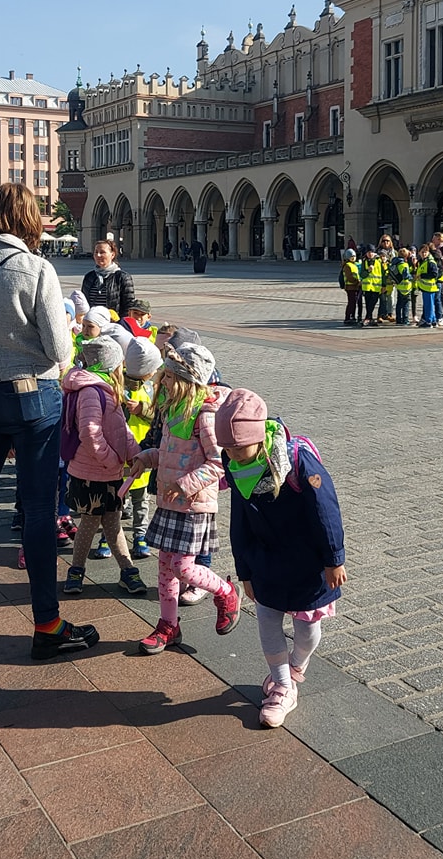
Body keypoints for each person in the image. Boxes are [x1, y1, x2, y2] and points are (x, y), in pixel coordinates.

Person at [0, 183, 98, 659]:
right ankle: (47, 624)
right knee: (38, 510)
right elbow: (59, 348)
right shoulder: (35, 268)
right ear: (29, 219)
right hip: (33, 399)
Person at [215, 388, 346, 728]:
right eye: (227, 449)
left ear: (259, 438)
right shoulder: (235, 465)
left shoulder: (297, 462)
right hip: (265, 561)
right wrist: (244, 570)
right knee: (267, 621)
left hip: (307, 563)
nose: (234, 456)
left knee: (307, 628)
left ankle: (297, 663)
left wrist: (334, 559)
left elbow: (325, 511)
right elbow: (239, 519)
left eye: (240, 448)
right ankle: (283, 687)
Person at [130, 341, 242, 654]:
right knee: (165, 567)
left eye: (168, 376)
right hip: (171, 502)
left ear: (185, 381)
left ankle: (226, 591)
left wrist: (185, 485)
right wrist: (146, 457)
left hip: (193, 505)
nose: (163, 381)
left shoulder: (204, 415)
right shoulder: (173, 411)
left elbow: (218, 463)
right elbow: (169, 453)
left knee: (182, 567)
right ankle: (168, 625)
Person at [62, 338, 147, 596]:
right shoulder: (92, 391)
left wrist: (135, 454)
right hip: (94, 473)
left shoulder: (104, 389)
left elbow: (121, 430)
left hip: (103, 472)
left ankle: (126, 570)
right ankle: (78, 570)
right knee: (91, 522)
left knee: (111, 521)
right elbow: (90, 434)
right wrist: (112, 460)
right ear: (112, 365)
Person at [122, 336, 162, 559]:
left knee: (141, 499)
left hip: (144, 454)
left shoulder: (151, 390)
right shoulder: (118, 386)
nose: (155, 373)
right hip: (121, 455)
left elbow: (158, 415)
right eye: (153, 369)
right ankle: (107, 537)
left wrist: (142, 409)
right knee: (116, 500)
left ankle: (140, 536)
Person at [81, 239, 135, 319]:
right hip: (92, 322)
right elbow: (83, 302)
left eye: (102, 252)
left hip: (112, 322)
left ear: (112, 255)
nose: (98, 255)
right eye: (96, 252)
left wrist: (120, 323)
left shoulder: (122, 277)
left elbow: (129, 305)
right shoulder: (89, 277)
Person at [416, 244, 439, 328]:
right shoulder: (423, 261)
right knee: (429, 305)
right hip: (425, 287)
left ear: (428, 252)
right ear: (419, 252)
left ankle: (428, 321)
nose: (423, 254)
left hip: (429, 287)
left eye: (425, 252)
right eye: (422, 252)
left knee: (428, 305)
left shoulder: (430, 262)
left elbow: (434, 274)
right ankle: (433, 320)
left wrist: (422, 276)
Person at [360, 246, 382, 325]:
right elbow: (362, 274)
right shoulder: (364, 262)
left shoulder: (378, 261)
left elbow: (382, 273)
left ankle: (367, 317)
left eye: (372, 252)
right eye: (368, 252)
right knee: (368, 303)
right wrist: (368, 271)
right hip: (367, 287)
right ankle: (370, 318)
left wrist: (383, 285)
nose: (370, 254)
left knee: (373, 302)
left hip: (376, 286)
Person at [390, 248, 413, 325]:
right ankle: (405, 319)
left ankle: (398, 319)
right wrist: (412, 277)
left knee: (399, 303)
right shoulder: (404, 264)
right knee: (406, 303)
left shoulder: (396, 263)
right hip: (406, 287)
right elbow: (406, 276)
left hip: (399, 286)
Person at [341, 248, 361, 325]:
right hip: (350, 287)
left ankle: (352, 317)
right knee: (351, 303)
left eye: (354, 256)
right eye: (351, 256)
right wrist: (357, 282)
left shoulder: (354, 264)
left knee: (353, 303)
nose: (353, 258)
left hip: (355, 287)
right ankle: (348, 318)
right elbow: (350, 277)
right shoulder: (347, 265)